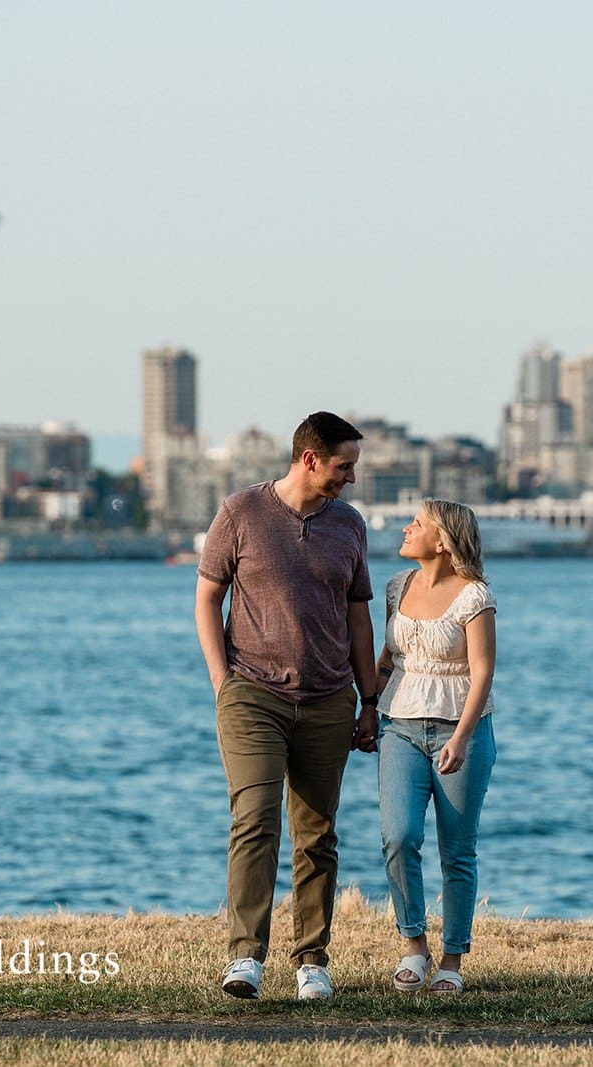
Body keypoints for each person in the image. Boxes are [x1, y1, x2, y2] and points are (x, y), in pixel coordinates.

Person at [194, 411, 380, 1001]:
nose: (351, 477)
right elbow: (206, 598)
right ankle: (246, 956)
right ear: (309, 459)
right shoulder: (241, 513)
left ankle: (311, 960)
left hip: (328, 698)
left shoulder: (350, 525)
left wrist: (368, 699)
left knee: (317, 832)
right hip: (252, 694)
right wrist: (222, 682)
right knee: (254, 819)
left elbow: (358, 616)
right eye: (344, 466)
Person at [374, 499, 496, 994]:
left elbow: (483, 670)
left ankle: (452, 959)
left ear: (442, 540)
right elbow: (389, 656)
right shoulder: (396, 587)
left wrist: (463, 738)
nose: (407, 528)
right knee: (399, 837)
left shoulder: (474, 596)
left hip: (460, 731)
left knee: (457, 851)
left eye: (418, 523)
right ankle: (414, 946)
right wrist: (365, 708)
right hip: (399, 724)